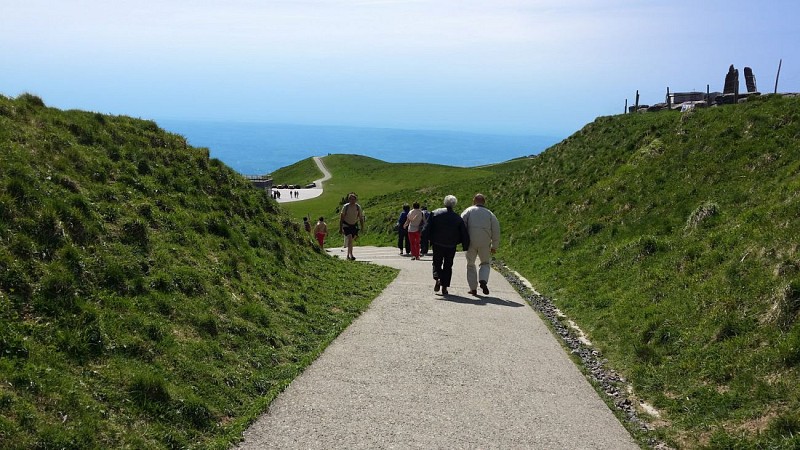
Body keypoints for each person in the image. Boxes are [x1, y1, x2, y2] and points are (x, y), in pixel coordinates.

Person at [425, 195, 469, 296]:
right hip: (451, 245)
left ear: (445, 203)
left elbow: (426, 228)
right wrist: (465, 245)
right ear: (454, 204)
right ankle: (444, 287)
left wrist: (425, 241)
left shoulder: (435, 213)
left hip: (437, 243)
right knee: (448, 265)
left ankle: (438, 277)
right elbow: (463, 232)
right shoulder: (457, 218)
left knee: (437, 262)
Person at [461, 193, 501, 296]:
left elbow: (461, 224)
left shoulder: (468, 211)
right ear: (484, 202)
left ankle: (473, 288)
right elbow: (496, 230)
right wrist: (494, 246)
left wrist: (461, 239)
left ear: (474, 201)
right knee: (485, 263)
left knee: (470, 264)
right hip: (485, 242)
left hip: (470, 241)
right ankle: (483, 280)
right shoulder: (490, 214)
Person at [339, 193, 364, 260]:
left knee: (351, 241)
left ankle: (348, 255)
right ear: (349, 200)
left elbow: (361, 218)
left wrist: (362, 227)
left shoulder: (358, 207)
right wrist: (340, 228)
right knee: (350, 238)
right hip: (346, 224)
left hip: (354, 225)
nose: (352, 200)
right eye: (351, 199)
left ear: (356, 200)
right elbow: (341, 218)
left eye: (354, 199)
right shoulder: (345, 207)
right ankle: (351, 255)